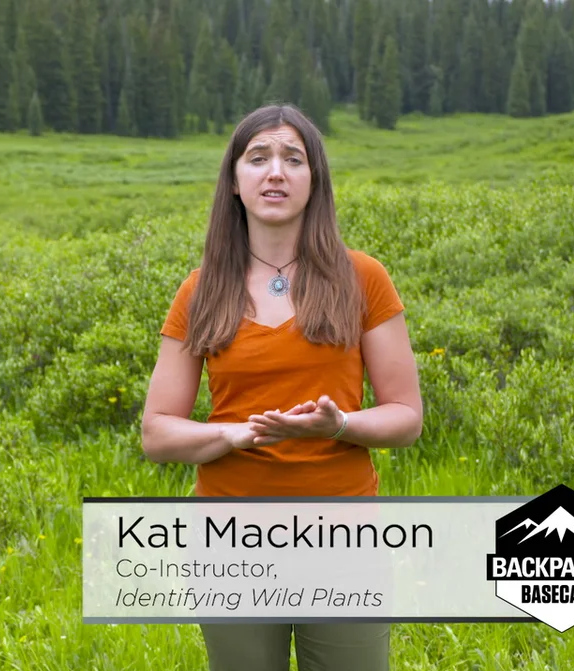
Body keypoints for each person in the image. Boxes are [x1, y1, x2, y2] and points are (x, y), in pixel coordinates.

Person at [140, 104, 423, 671]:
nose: (276, 172)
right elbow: (157, 432)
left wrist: (338, 424)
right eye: (259, 158)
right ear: (235, 182)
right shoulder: (200, 291)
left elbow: (406, 416)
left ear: (314, 182)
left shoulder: (363, 277)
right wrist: (238, 434)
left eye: (294, 159)